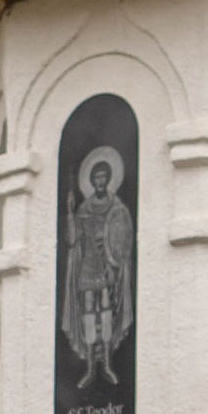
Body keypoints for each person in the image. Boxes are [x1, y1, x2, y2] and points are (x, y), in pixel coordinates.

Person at [60, 144, 134, 396]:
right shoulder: (84, 210)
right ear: (91, 181)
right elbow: (71, 241)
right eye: (97, 178)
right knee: (89, 316)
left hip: (108, 269)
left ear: (109, 179)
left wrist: (114, 255)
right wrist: (69, 211)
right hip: (87, 268)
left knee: (106, 314)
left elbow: (122, 239)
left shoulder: (117, 209)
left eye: (104, 177)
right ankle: (91, 369)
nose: (100, 181)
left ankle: (108, 365)